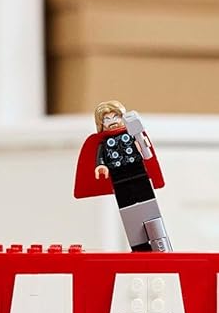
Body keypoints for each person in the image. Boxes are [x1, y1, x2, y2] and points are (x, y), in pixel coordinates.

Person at [72, 100, 172, 252]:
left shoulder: (133, 135)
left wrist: (141, 142)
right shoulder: (103, 143)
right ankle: (139, 247)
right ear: (101, 124)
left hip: (139, 176)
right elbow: (100, 158)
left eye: (116, 117)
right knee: (129, 214)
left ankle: (160, 242)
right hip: (120, 181)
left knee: (149, 209)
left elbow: (147, 155)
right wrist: (101, 166)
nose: (112, 121)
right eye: (107, 119)